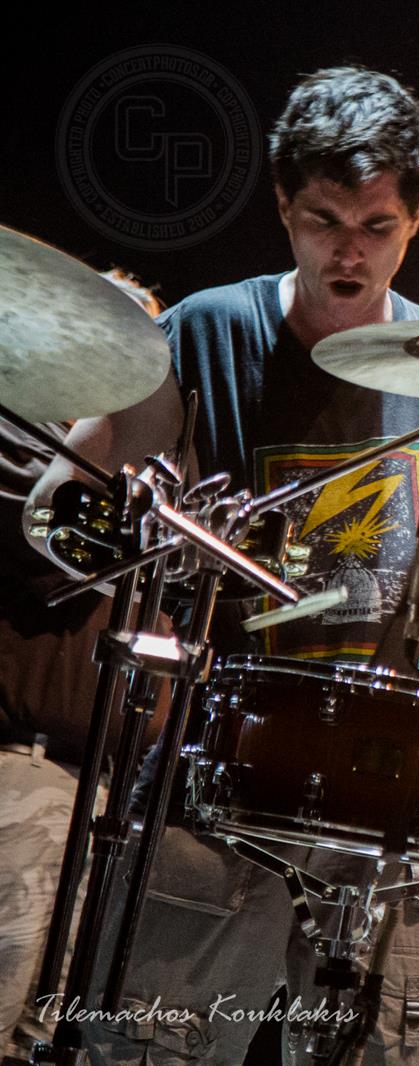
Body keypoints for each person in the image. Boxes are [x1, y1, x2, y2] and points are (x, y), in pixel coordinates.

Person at [26, 67, 419, 1065]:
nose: (348, 251)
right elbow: (66, 499)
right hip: (214, 782)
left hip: (390, 801)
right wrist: (85, 514)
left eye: (376, 226)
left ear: (416, 219)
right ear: (283, 206)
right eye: (323, 220)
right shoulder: (205, 331)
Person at [1, 270, 165, 1062]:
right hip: (24, 777)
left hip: (113, 805)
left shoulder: (147, 481)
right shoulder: (21, 443)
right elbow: (55, 554)